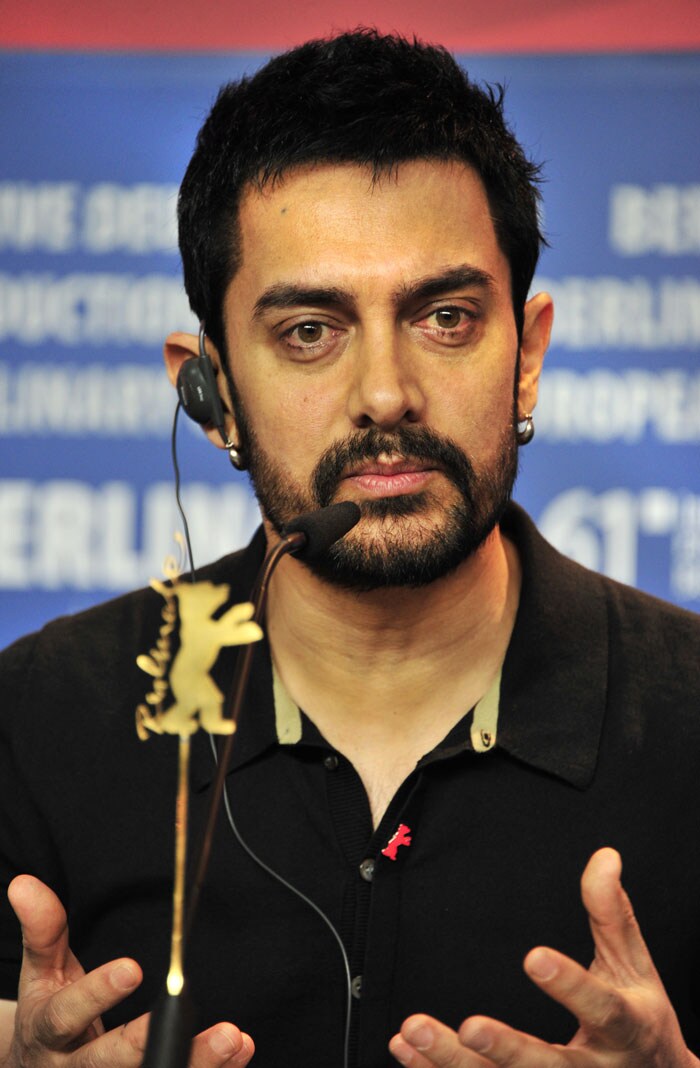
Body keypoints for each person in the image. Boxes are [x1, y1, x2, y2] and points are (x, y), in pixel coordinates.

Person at [1, 28, 699, 1068]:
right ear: (211, 394)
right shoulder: (35, 719)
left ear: (528, 357)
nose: (385, 393)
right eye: (308, 332)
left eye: (447, 316)